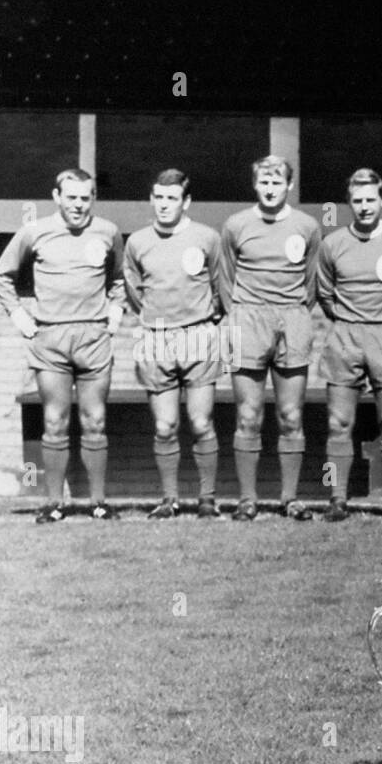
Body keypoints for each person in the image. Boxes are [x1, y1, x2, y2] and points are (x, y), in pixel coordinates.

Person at [0, 168, 125, 522]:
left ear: (94, 198)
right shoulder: (34, 232)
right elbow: (0, 275)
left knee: (95, 419)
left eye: (86, 197)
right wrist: (19, 316)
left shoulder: (108, 232)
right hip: (50, 337)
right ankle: (54, 503)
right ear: (56, 197)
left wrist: (115, 311)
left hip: (93, 338)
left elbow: (120, 279)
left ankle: (98, 502)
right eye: (72, 197)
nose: (79, 205)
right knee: (54, 420)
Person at [217, 155, 321, 521]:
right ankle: (248, 499)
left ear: (289, 186)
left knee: (291, 414)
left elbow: (311, 283)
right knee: (248, 414)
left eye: (277, 182)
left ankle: (289, 498)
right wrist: (241, 316)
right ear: (255, 184)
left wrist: (290, 313)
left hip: (292, 318)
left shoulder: (307, 226)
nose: (270, 188)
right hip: (247, 319)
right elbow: (225, 281)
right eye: (264, 182)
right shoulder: (236, 225)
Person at [316, 168, 382, 522]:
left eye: (370, 200)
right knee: (337, 423)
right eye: (357, 201)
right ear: (349, 203)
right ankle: (335, 495)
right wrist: (351, 321)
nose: (364, 207)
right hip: (345, 336)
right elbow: (325, 295)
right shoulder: (332, 244)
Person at [123, 168, 224, 519]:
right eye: (159, 197)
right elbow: (135, 294)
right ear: (152, 199)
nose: (164, 205)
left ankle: (207, 499)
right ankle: (169, 499)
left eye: (172, 198)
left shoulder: (208, 238)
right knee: (165, 426)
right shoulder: (137, 242)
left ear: (186, 201)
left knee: (200, 422)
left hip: (198, 334)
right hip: (155, 337)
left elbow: (221, 287)